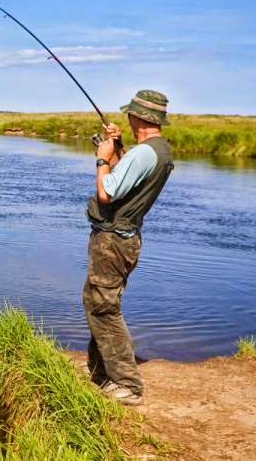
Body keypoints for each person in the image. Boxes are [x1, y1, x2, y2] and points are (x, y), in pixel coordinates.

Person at [83, 89, 174, 406]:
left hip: (113, 242)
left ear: (140, 117)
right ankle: (100, 369)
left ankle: (127, 384)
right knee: (96, 300)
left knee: (104, 307)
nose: (127, 117)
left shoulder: (145, 153)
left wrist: (102, 157)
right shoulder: (156, 150)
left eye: (130, 113)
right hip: (123, 239)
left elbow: (108, 191)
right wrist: (119, 147)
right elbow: (127, 178)